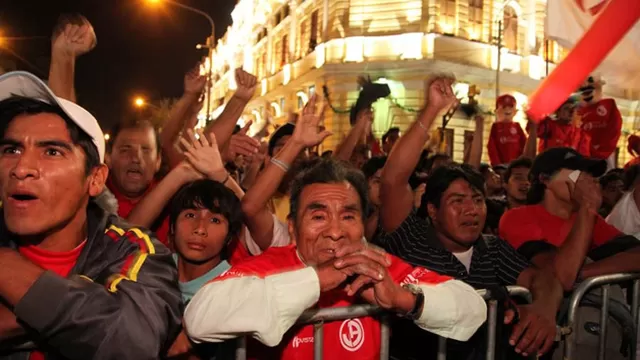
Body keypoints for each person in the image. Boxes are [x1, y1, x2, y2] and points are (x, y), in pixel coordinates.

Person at [183, 109, 486, 360]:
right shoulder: (268, 266)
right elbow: (199, 319)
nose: (336, 231)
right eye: (318, 216)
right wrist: (319, 279)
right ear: (292, 227)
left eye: (348, 216)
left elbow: (473, 308)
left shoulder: (376, 267)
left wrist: (404, 299)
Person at [0, 71, 181, 359]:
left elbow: (131, 341)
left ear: (95, 179)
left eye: (52, 152)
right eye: (11, 148)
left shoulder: (132, 249)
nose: (21, 168)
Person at [379, 76, 562, 359]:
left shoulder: (491, 248)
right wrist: (432, 109)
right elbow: (393, 179)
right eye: (457, 201)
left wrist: (543, 310)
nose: (471, 210)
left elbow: (543, 280)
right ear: (432, 210)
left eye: (478, 200)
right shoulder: (411, 241)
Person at [499, 147, 640, 292]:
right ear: (545, 179)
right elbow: (560, 276)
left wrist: (584, 273)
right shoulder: (518, 217)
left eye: (590, 174)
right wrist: (587, 207)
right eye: (577, 171)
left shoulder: (589, 219)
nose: (587, 179)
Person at [487, 94, 526, 166]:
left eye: (511, 107)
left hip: (516, 166)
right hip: (501, 167)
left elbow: (525, 145)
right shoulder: (495, 127)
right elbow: (492, 148)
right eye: (504, 107)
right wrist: (497, 165)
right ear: (497, 111)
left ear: (515, 111)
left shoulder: (517, 126)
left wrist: (522, 163)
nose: (507, 109)